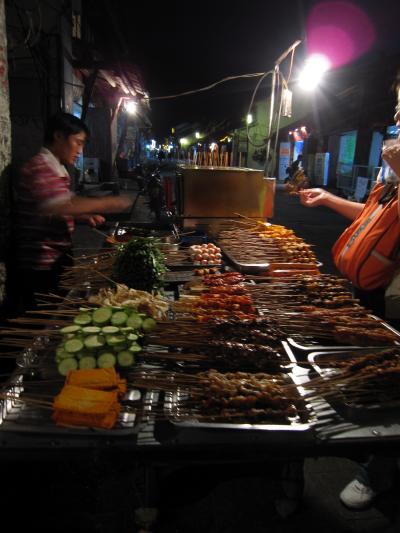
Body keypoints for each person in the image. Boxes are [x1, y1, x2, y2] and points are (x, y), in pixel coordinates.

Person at [299, 77, 400, 510]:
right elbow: (376, 216)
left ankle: (377, 472)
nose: (397, 118)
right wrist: (328, 199)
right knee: (367, 368)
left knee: (394, 384)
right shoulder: (391, 173)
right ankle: (367, 442)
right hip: (372, 293)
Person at [6, 112, 132, 314]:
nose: (80, 151)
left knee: (61, 310)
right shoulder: (40, 167)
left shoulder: (56, 168)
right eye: (78, 142)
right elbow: (55, 206)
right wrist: (106, 203)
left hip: (56, 257)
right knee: (45, 318)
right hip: (41, 263)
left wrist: (82, 215)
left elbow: (61, 205)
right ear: (58, 136)